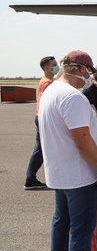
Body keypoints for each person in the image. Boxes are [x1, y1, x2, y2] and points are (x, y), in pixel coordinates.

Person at [39, 50, 97, 251]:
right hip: (78, 175)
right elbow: (83, 141)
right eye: (90, 73)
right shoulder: (73, 97)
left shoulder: (50, 90)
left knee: (61, 222)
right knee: (81, 231)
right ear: (82, 70)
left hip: (60, 173)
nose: (90, 79)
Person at [24, 55, 58, 190]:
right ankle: (30, 179)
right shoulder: (48, 83)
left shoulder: (48, 80)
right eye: (54, 65)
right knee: (41, 150)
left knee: (41, 149)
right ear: (46, 68)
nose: (56, 67)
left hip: (41, 117)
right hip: (44, 118)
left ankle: (30, 178)